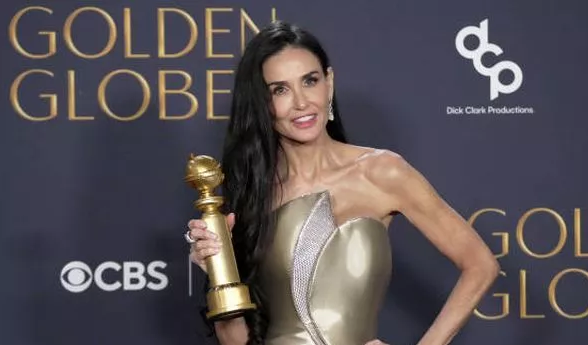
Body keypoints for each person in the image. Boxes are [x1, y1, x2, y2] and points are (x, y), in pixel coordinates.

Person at [185, 21, 500, 345]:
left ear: (329, 83)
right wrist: (217, 272)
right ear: (262, 104)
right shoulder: (255, 195)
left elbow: (480, 265)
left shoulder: (382, 172)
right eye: (279, 89)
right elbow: (237, 341)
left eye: (310, 81)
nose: (301, 102)